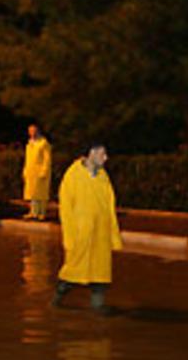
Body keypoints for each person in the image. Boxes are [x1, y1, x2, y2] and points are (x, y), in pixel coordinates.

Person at [51, 143, 122, 314]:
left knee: (101, 272)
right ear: (91, 153)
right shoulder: (73, 176)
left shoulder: (103, 177)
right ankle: (58, 297)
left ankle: (98, 305)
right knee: (73, 271)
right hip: (81, 234)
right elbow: (66, 209)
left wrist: (113, 235)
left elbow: (110, 208)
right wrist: (69, 236)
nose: (106, 158)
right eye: (102, 154)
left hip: (101, 233)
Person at [22, 124, 52, 221]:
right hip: (31, 171)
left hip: (40, 171)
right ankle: (33, 212)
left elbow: (47, 159)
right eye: (30, 131)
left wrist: (44, 170)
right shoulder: (29, 144)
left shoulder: (43, 143)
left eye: (33, 131)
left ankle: (41, 213)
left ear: (38, 131)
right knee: (32, 193)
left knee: (41, 194)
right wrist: (25, 170)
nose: (32, 133)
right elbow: (28, 159)